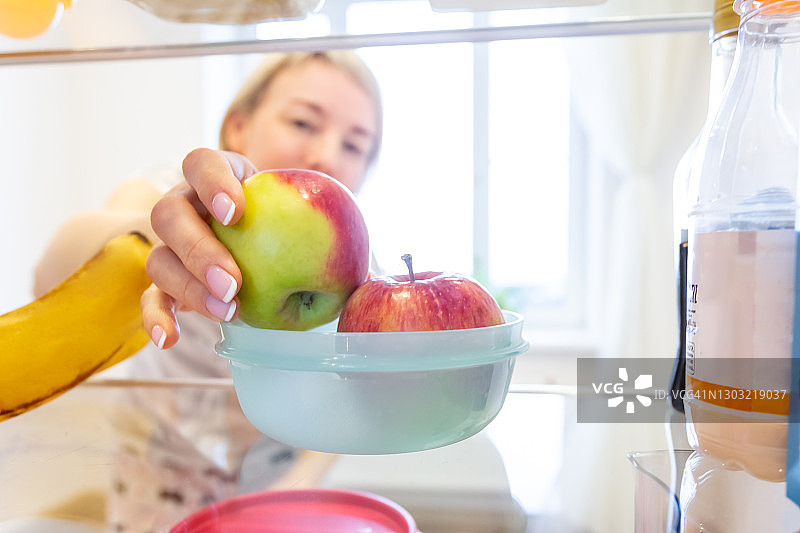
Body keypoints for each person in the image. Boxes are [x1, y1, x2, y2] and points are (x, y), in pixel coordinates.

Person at [33, 50, 383, 531]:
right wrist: (162, 235)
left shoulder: (354, 264)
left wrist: (290, 495)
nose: (326, 154)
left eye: (355, 145)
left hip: (271, 486)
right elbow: (52, 273)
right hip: (155, 482)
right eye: (303, 123)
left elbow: (351, 397)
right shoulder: (171, 196)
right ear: (237, 127)